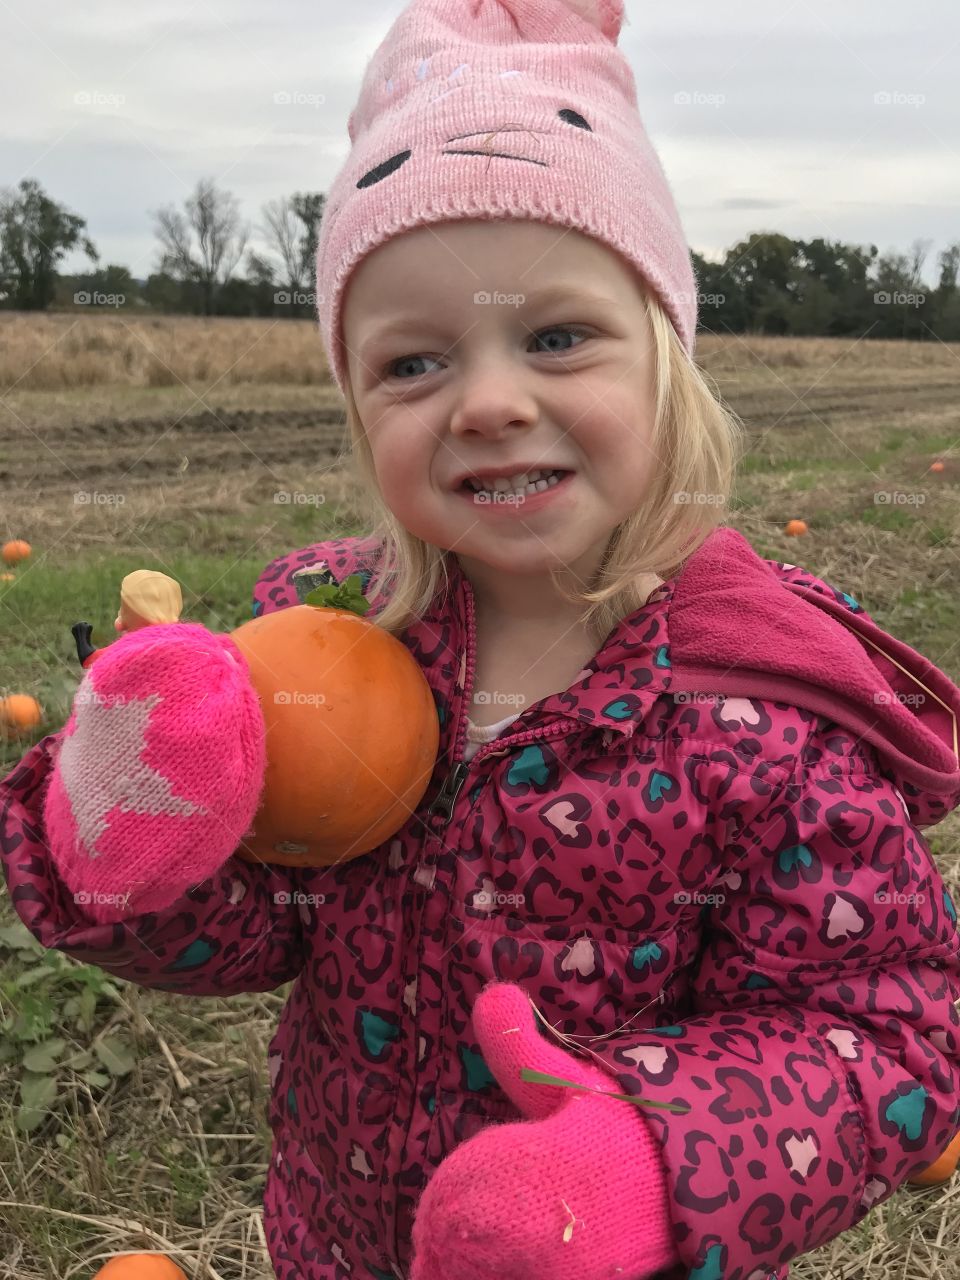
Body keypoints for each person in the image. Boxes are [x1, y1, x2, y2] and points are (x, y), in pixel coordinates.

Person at [2, 1, 960, 1278]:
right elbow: (264, 928)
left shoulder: (766, 712)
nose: (491, 402)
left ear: (668, 360)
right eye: (413, 363)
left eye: (557, 337)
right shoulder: (331, 645)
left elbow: (886, 1029)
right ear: (356, 408)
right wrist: (135, 827)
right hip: (339, 1244)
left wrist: (649, 1160)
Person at [72, 570, 183, 668]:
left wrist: (81, 637)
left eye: (123, 608)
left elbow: (90, 660)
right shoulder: (188, 644)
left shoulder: (127, 648)